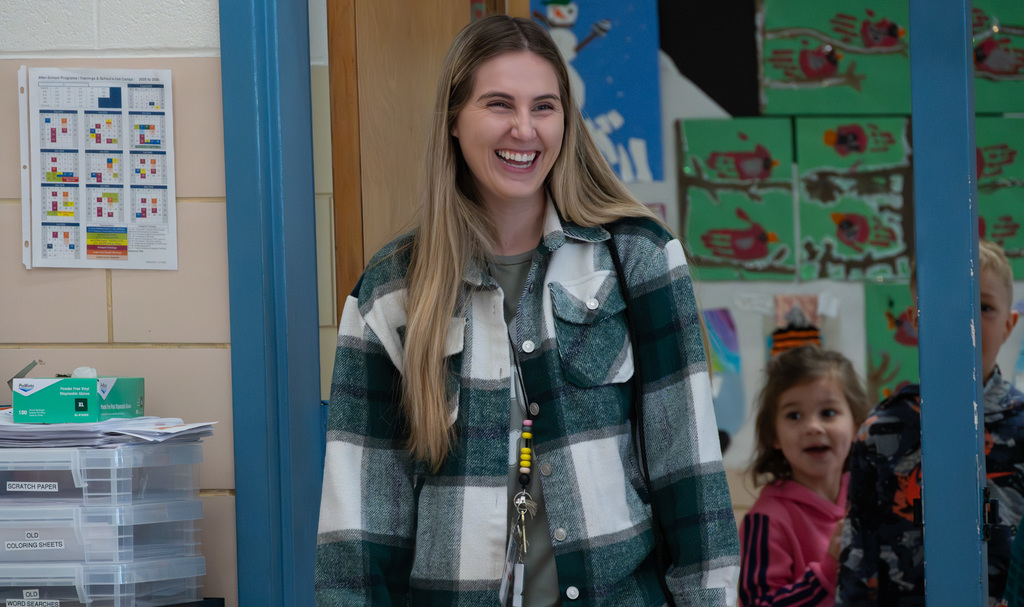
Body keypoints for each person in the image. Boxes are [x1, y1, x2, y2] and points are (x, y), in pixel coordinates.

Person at [314, 14, 740, 607]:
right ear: (454, 123)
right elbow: (357, 532)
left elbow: (690, 477)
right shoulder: (391, 291)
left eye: (544, 106)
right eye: (498, 105)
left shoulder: (638, 259)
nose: (524, 129)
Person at [837, 239, 1024, 606]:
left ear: (1008, 323)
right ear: (916, 322)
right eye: (943, 307)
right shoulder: (881, 432)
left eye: (984, 307)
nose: (964, 320)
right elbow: (858, 556)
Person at [739, 346, 869, 606]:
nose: (812, 427)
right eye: (794, 415)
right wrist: (828, 572)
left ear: (856, 424)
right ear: (774, 436)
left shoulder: (872, 494)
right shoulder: (765, 520)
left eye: (828, 412)